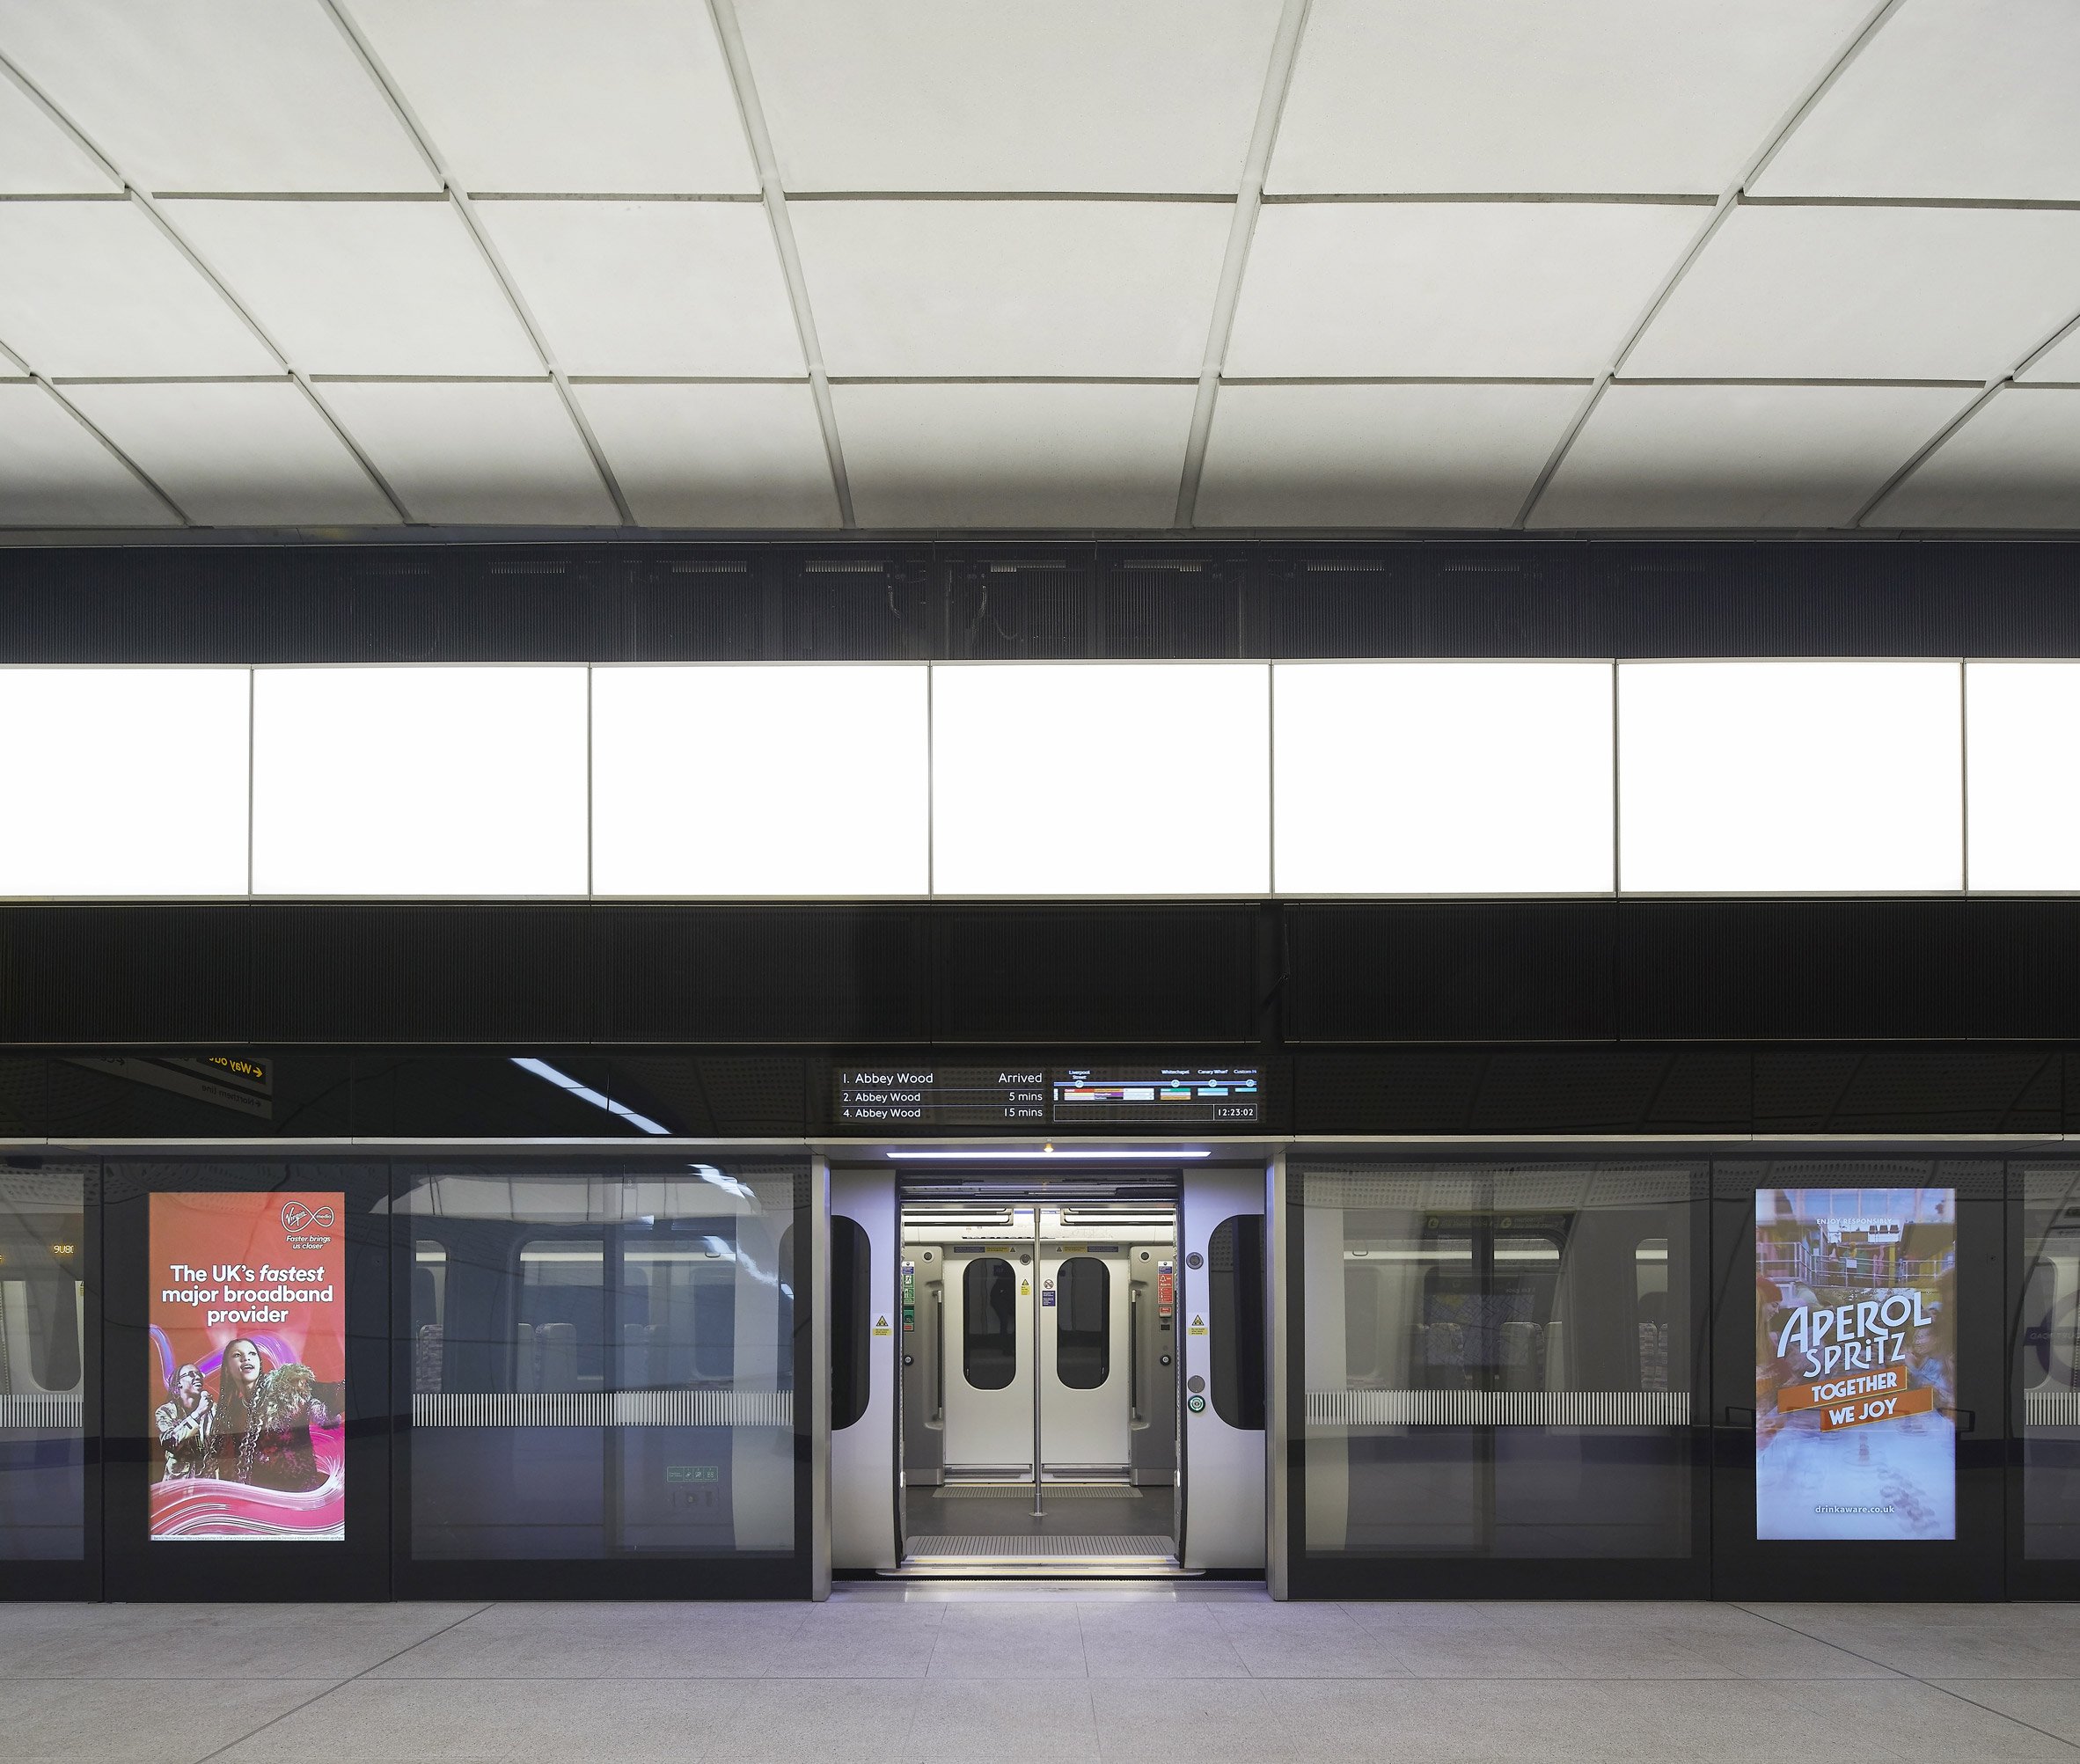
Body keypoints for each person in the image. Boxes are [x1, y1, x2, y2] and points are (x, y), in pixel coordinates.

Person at [203, 1337, 345, 1493]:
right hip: (255, 1503)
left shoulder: (285, 1388)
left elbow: (331, 1395)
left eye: (252, 1353)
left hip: (297, 1499)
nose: (246, 1358)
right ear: (227, 1369)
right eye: (237, 1355)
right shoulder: (230, 1412)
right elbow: (225, 1467)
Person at [152, 1363, 213, 1482]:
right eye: (191, 1374)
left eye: (199, 1374)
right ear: (178, 1383)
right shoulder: (165, 1412)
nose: (197, 1377)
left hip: (208, 1485)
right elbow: (170, 1443)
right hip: (179, 1486)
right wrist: (198, 1413)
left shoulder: (213, 1410)